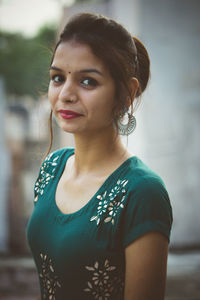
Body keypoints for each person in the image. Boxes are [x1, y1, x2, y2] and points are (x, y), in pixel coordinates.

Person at [27, 12, 173, 300]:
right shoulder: (51, 168)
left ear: (128, 93)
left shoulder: (142, 192)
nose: (65, 94)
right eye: (58, 78)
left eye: (87, 82)